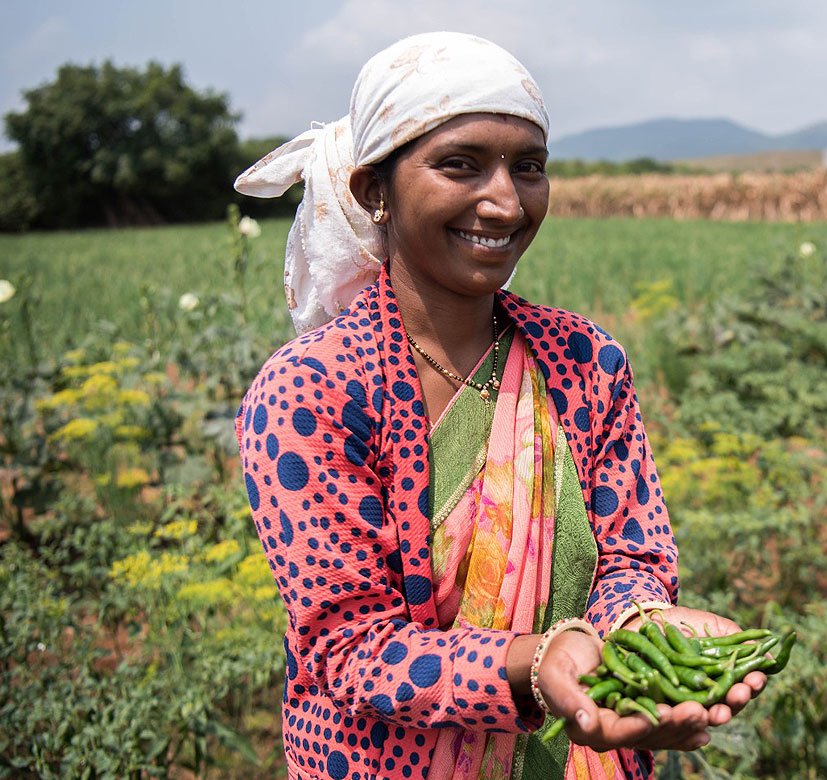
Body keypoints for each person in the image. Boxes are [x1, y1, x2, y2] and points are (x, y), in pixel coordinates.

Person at [233, 32, 766, 780]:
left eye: (530, 167)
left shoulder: (583, 362)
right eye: (461, 164)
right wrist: (536, 661)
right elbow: (350, 645)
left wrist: (645, 623)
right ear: (373, 190)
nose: (506, 201)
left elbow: (630, 558)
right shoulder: (313, 392)